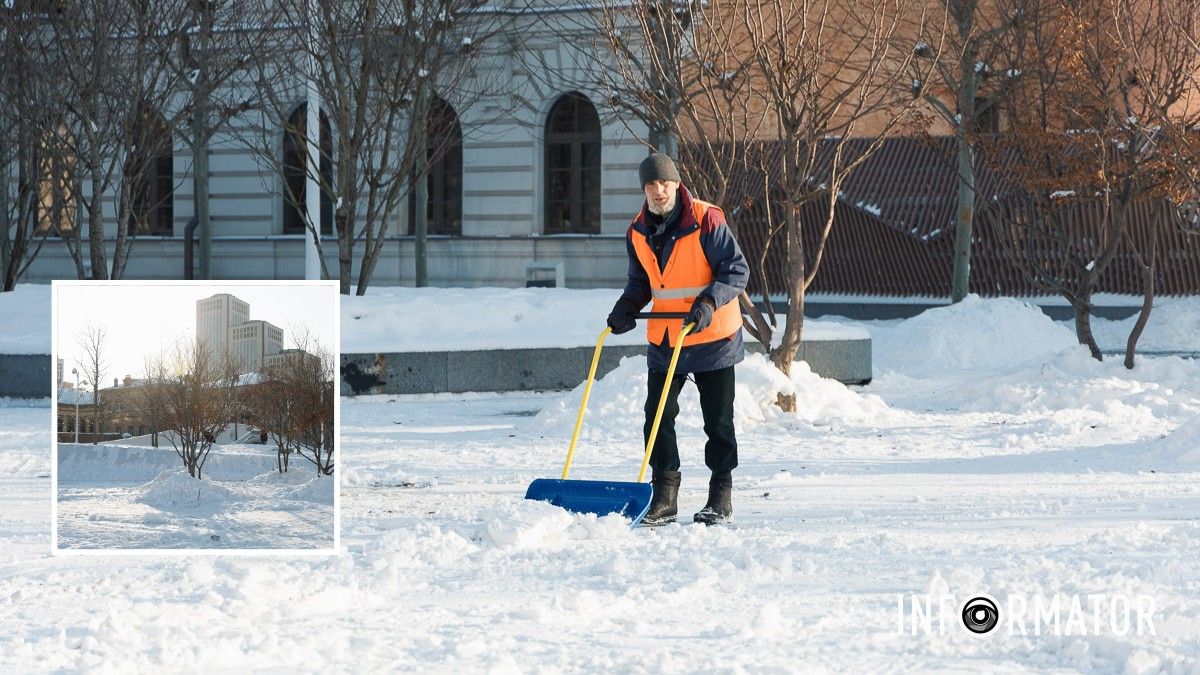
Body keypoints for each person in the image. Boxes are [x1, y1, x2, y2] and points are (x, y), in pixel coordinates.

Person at [606, 152, 750, 526]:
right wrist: (625, 308)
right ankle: (665, 494)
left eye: (665, 183)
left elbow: (735, 271)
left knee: (717, 421)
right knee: (657, 415)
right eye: (651, 185)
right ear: (644, 189)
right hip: (667, 337)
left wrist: (706, 303)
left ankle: (721, 494)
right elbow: (642, 282)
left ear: (676, 184)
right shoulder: (637, 230)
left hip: (713, 335)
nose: (659, 191)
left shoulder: (706, 218)